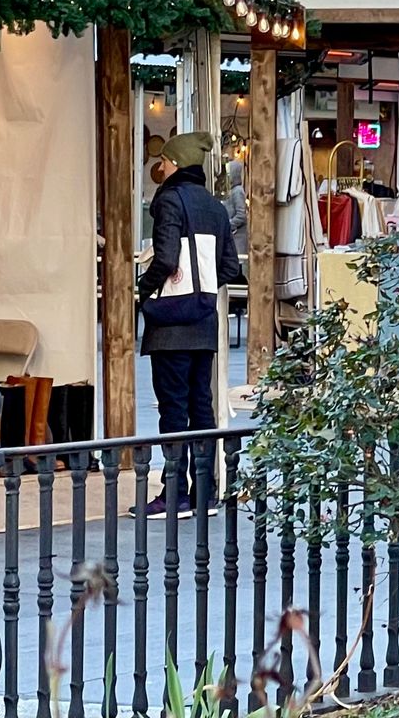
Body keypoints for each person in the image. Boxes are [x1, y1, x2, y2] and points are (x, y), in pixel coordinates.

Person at [136, 131, 243, 518]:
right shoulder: (215, 208)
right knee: (202, 407)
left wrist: (143, 290)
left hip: (170, 324)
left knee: (172, 409)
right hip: (203, 321)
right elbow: (231, 267)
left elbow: (164, 259)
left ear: (175, 164)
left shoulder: (169, 200)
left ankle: (174, 493)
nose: (158, 167)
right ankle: (206, 492)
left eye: (163, 161)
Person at [225, 159, 249, 257]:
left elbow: (241, 215)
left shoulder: (237, 191)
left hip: (238, 237)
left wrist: (228, 225)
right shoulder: (231, 191)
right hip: (234, 236)